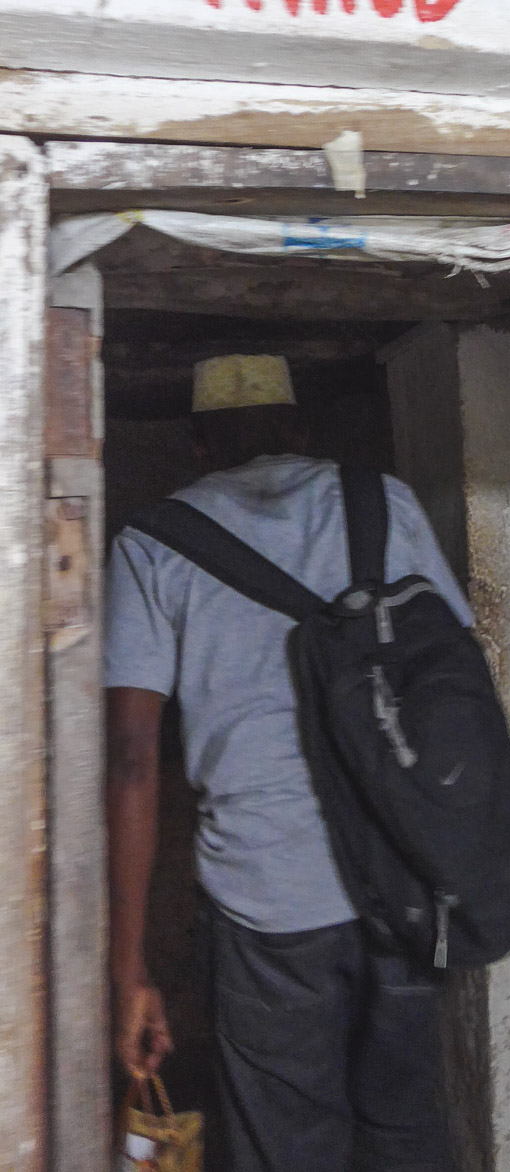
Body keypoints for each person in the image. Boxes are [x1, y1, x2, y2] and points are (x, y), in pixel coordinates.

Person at [104, 353, 472, 1172]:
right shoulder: (387, 505)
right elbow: (456, 678)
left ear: (197, 446)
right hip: (401, 886)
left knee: (288, 1145)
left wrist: (129, 967)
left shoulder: (152, 545)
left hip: (267, 903)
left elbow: (132, 760)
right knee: (406, 1127)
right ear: (300, 430)